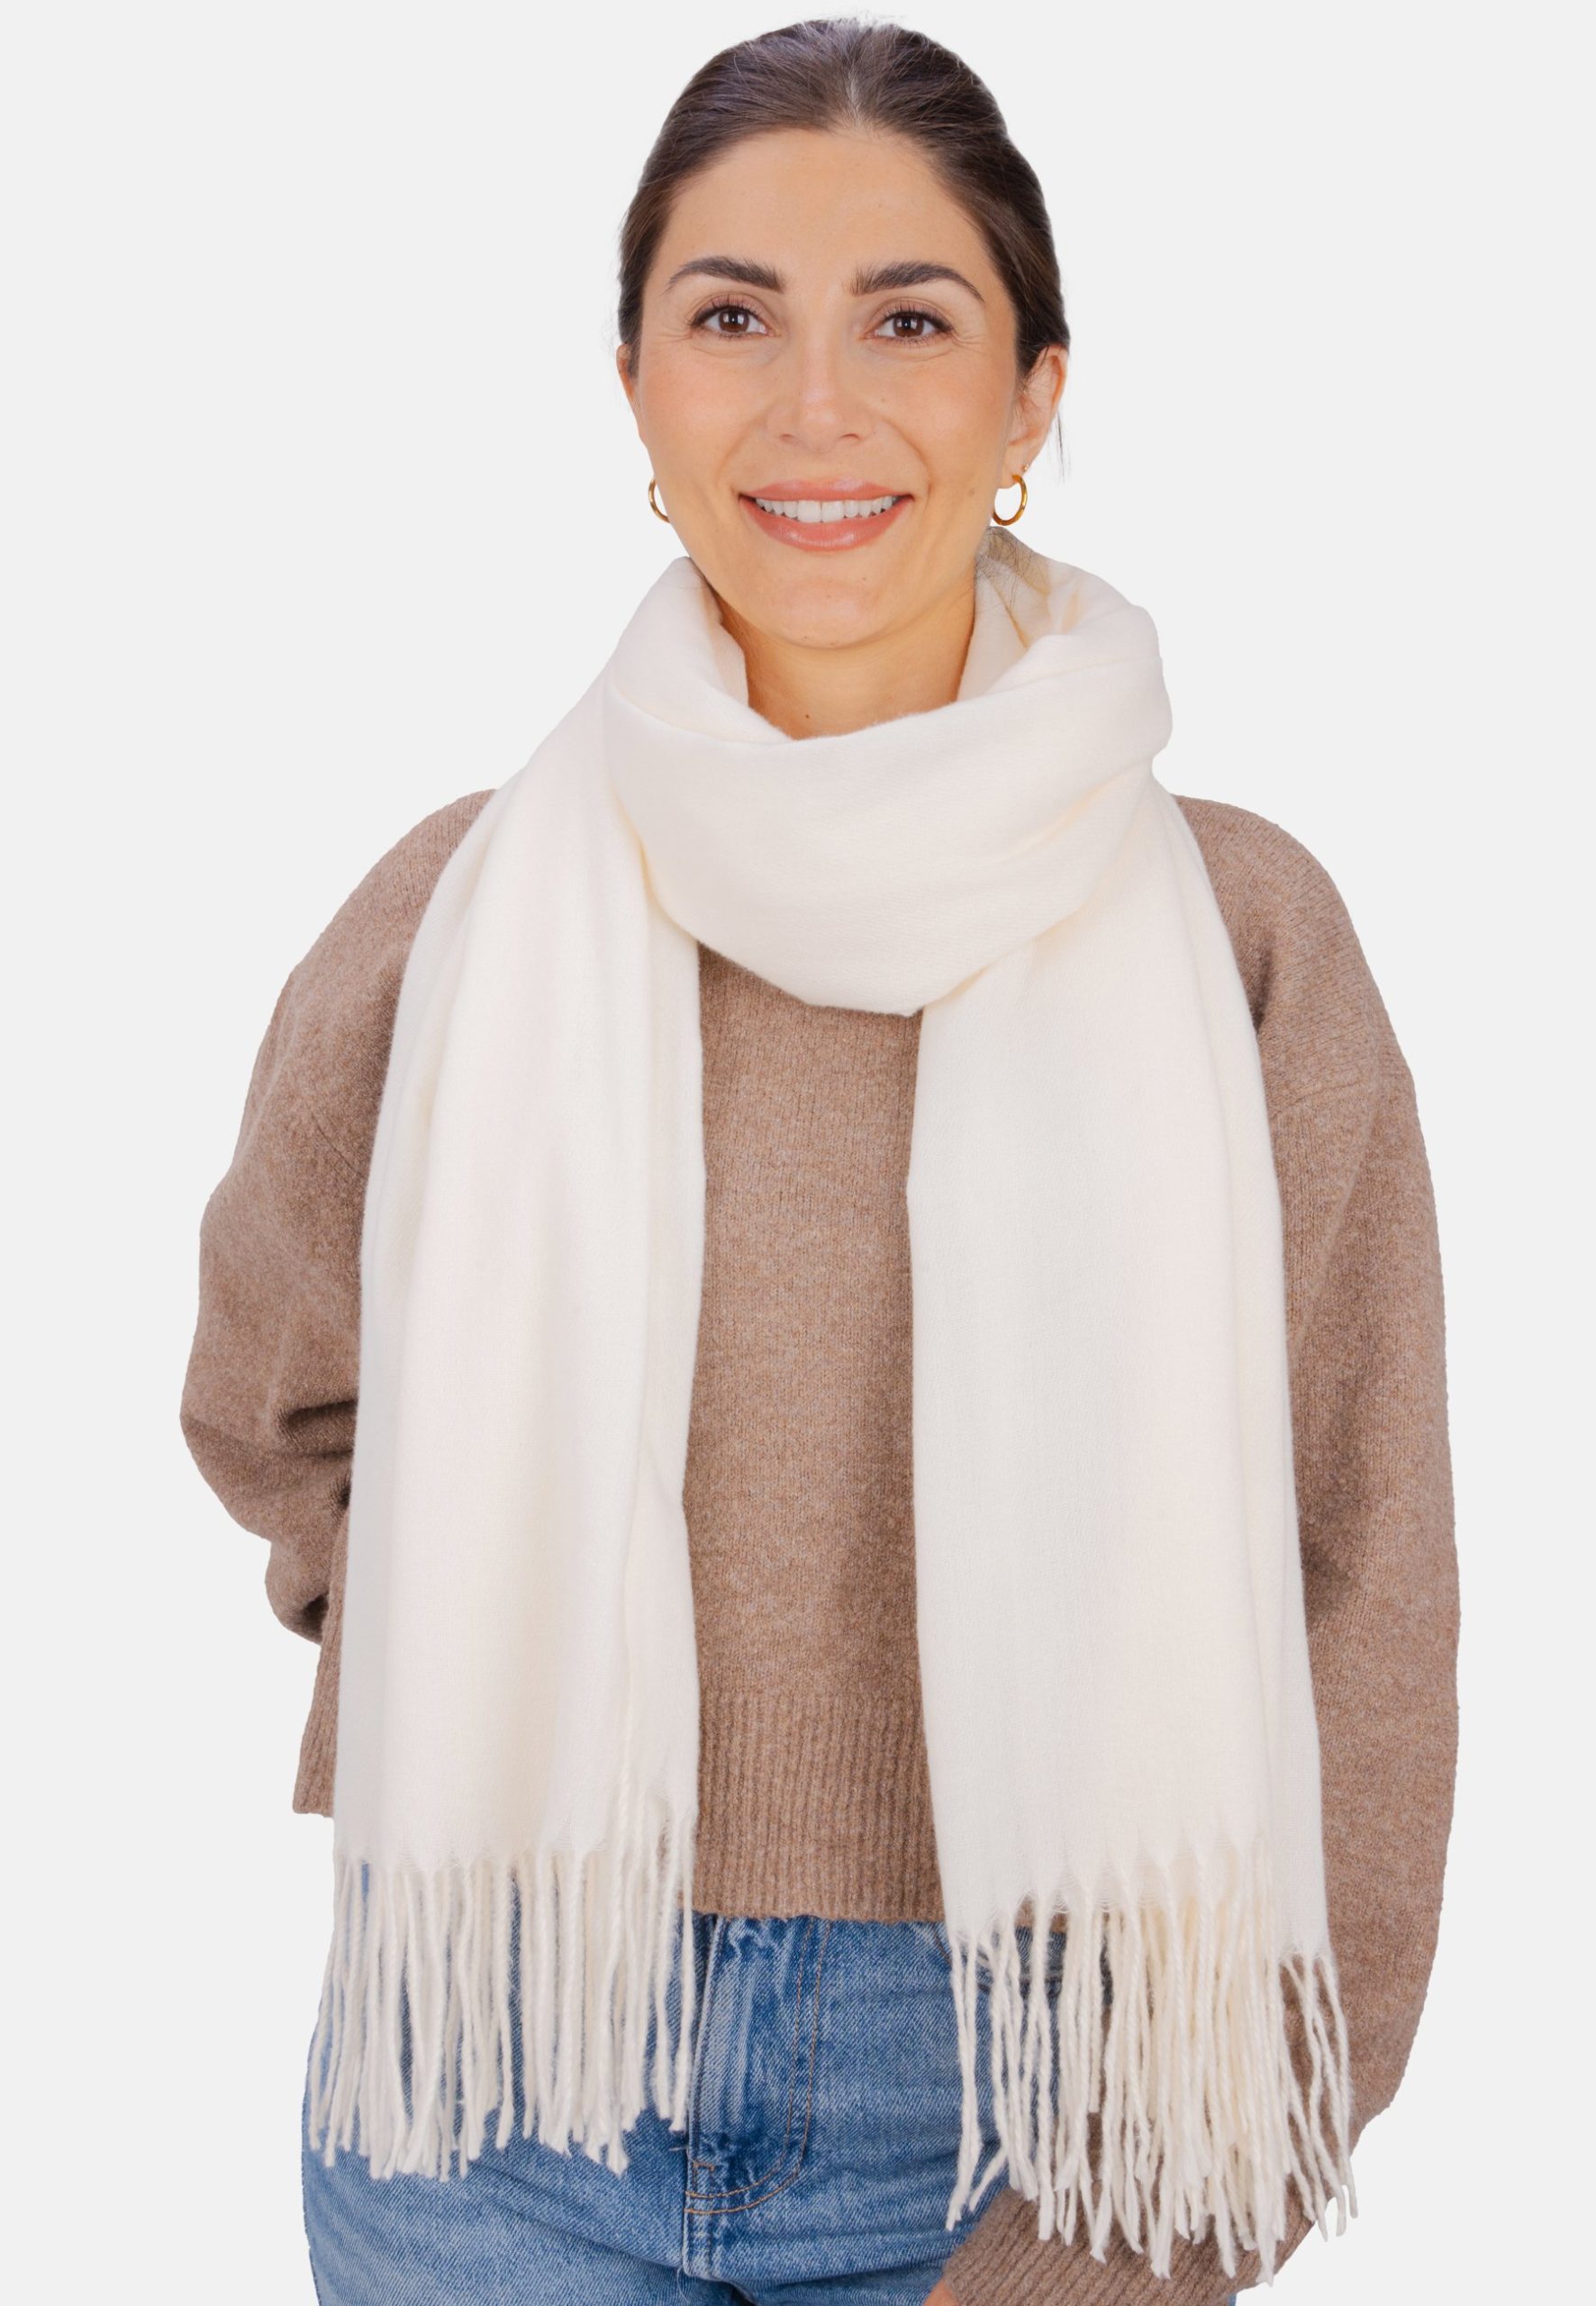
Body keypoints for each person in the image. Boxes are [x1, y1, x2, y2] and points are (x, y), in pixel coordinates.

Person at [178, 19, 1457, 2306]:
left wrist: (1199, 2172)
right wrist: (463, 1655)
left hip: (1035, 2089)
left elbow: (1366, 1580)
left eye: (910, 319)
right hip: (497, 2080)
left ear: (1034, 395)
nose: (816, 404)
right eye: (730, 314)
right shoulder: (459, 912)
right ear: (636, 390)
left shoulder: (1242, 935)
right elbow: (271, 1404)